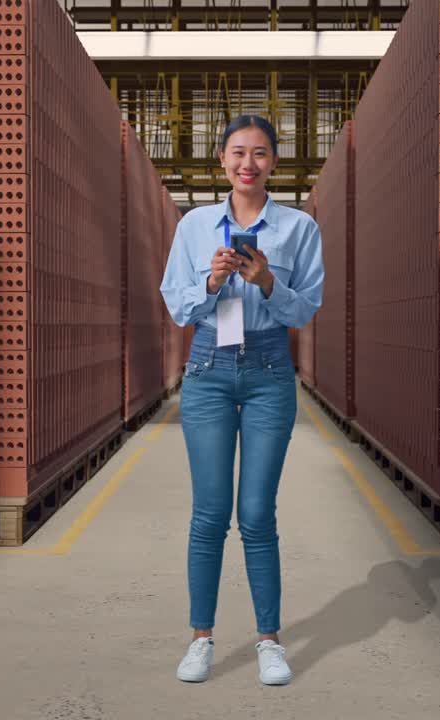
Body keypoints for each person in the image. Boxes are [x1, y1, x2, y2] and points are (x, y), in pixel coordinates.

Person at [158, 115, 324, 686]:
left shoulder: (299, 227)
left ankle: (269, 641)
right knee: (209, 514)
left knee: (256, 514)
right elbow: (175, 303)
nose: (247, 163)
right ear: (222, 160)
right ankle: (201, 639)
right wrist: (210, 282)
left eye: (258, 153)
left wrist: (268, 282)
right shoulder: (195, 225)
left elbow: (306, 310)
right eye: (237, 152)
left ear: (274, 162)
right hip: (208, 367)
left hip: (270, 370)